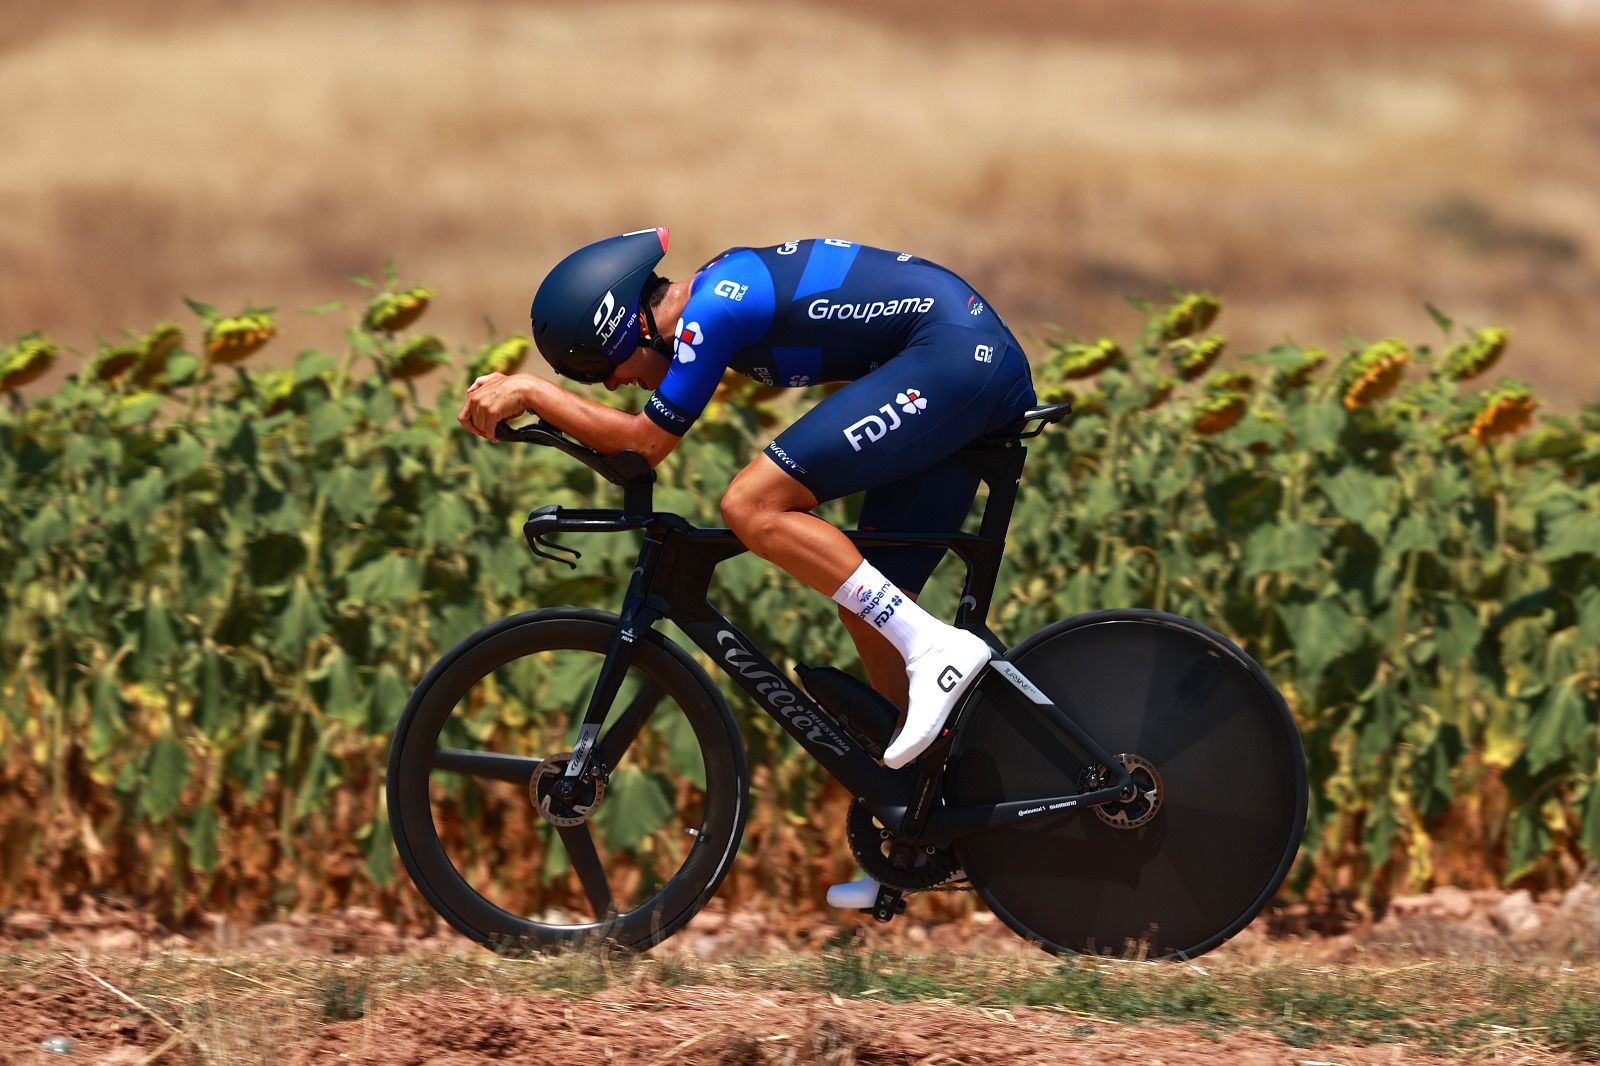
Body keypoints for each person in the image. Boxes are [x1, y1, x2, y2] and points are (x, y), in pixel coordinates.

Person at [458, 227, 1035, 908]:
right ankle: (921, 823)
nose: (609, 383)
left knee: (749, 503)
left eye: (595, 368)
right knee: (872, 600)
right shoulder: (717, 301)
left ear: (623, 327)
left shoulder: (714, 309)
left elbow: (644, 445)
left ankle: (936, 649)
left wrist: (534, 392)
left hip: (954, 357)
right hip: (950, 360)